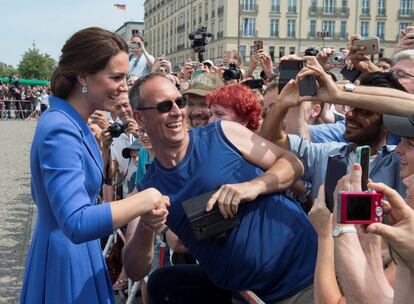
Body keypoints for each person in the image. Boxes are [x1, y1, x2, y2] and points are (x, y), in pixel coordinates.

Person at [123, 73, 317, 304]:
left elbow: (292, 164)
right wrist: (148, 227)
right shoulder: (148, 188)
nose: (177, 112)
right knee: (161, 283)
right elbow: (135, 270)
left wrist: (252, 187)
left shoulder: (223, 134)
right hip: (250, 296)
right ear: (139, 117)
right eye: (165, 106)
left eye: (180, 102)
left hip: (306, 278)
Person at [20, 27, 169, 304]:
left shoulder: (72, 123)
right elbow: (76, 221)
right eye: (116, 77)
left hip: (74, 252)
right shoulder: (60, 129)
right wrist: (145, 198)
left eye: (125, 76)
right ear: (83, 76)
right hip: (66, 261)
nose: (125, 86)